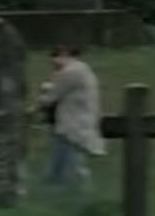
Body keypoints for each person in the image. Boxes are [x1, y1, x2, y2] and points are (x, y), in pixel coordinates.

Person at [36, 46, 105, 194]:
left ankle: (78, 193)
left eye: (55, 60)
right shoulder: (84, 70)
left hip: (71, 125)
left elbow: (50, 98)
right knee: (66, 161)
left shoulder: (71, 72)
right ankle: (64, 191)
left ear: (64, 55)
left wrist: (43, 92)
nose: (54, 65)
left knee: (70, 163)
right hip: (78, 122)